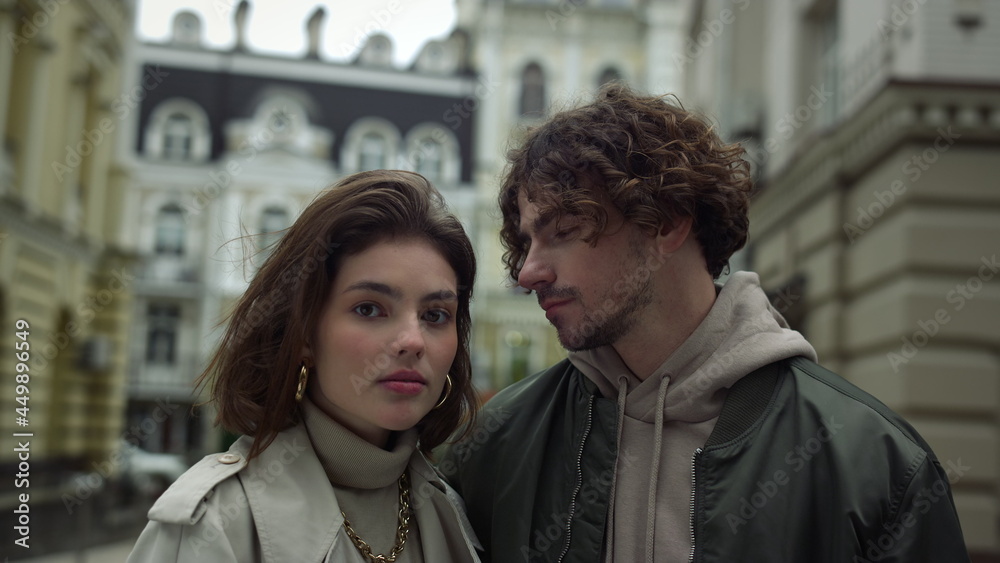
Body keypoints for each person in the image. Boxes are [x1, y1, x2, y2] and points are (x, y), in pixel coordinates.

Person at [439, 85, 970, 563]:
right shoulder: (495, 443)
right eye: (527, 241)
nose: (527, 272)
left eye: (564, 230)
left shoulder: (872, 465)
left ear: (668, 223)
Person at [129, 170, 481, 562]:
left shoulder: (454, 516)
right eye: (369, 309)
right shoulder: (212, 526)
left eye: (435, 315)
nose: (412, 341)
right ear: (304, 336)